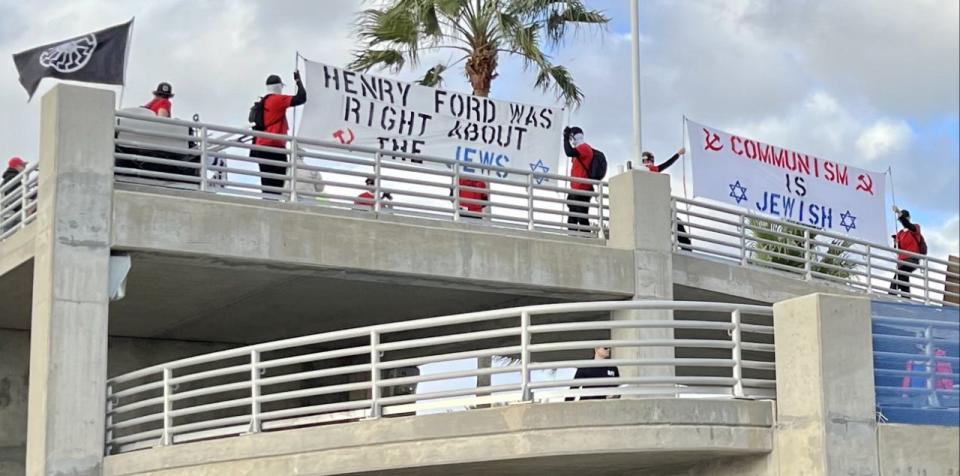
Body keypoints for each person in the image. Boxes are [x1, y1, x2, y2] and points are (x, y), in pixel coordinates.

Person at [252, 71, 307, 196]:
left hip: (261, 145)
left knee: (267, 185)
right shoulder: (276, 100)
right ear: (279, 86)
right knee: (278, 185)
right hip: (274, 147)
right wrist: (298, 81)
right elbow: (301, 97)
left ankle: (268, 206)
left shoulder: (264, 101)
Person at [642, 148, 692, 251]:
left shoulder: (649, 173)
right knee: (676, 224)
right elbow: (666, 164)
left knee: (676, 224)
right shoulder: (650, 171)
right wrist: (678, 154)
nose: (649, 163)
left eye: (650, 161)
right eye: (647, 161)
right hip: (655, 209)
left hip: (656, 207)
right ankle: (686, 248)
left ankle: (686, 248)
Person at [563, 126, 594, 232]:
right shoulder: (580, 149)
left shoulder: (584, 148)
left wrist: (565, 138)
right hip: (576, 188)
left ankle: (586, 238)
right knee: (572, 218)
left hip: (582, 188)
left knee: (582, 217)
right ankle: (572, 237)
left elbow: (568, 152)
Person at [889, 206, 924, 296]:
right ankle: (906, 297)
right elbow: (897, 249)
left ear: (908, 218)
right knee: (903, 277)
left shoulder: (915, 228)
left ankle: (891, 295)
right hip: (902, 261)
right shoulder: (900, 233)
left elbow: (907, 224)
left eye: (903, 218)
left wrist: (899, 213)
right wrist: (895, 243)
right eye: (900, 220)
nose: (901, 221)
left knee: (898, 276)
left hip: (911, 259)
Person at [2, 157, 27, 232]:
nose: (24, 168)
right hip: (10, 214)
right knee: (8, 237)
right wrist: (23, 207)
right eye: (23, 166)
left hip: (7, 213)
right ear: (17, 166)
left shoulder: (9, 178)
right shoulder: (13, 178)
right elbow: (14, 196)